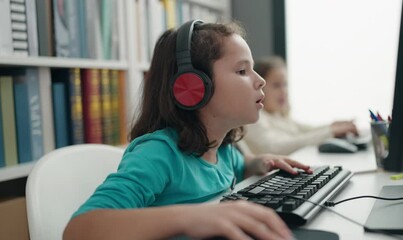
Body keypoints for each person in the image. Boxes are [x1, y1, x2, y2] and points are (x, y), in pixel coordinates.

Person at [63, 21, 312, 240]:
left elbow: (240, 165)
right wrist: (193, 217)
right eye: (241, 71)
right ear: (193, 87)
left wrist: (259, 163)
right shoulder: (158, 154)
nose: (260, 80)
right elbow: (78, 231)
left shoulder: (221, 149)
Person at [243, 56, 358, 156]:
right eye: (276, 85)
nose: (284, 91)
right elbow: (274, 148)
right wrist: (330, 132)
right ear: (259, 87)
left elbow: (305, 130)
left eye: (285, 84)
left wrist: (334, 126)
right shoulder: (254, 119)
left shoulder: (278, 116)